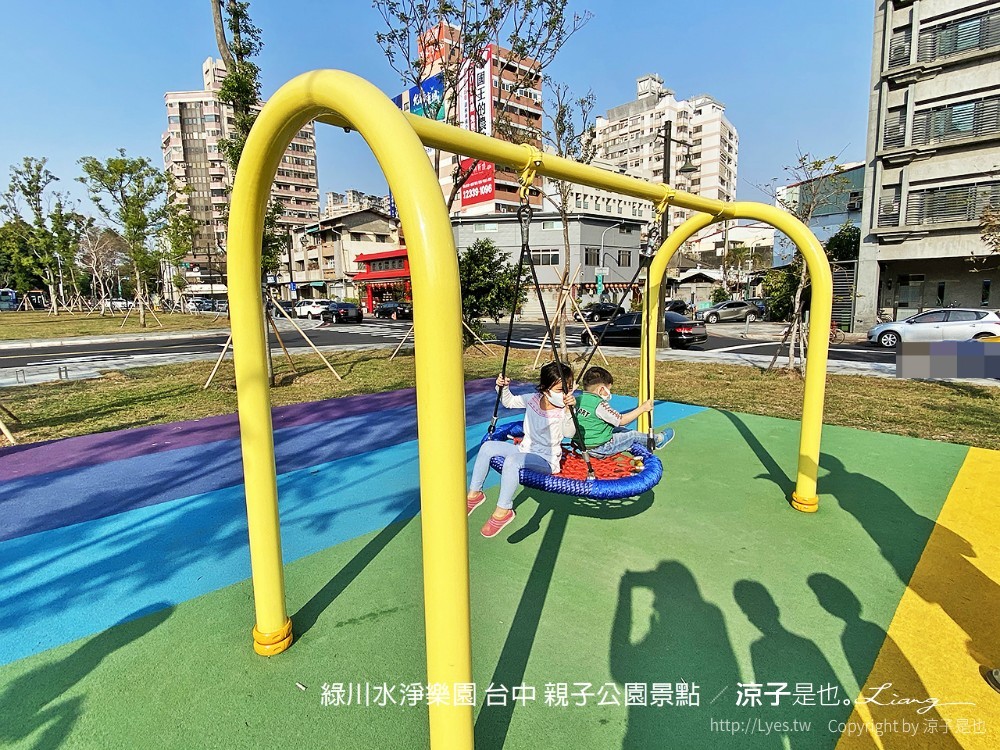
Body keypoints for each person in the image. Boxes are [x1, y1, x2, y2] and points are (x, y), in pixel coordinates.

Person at [467, 362, 577, 538]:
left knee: (512, 462)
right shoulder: (533, 399)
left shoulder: (565, 410)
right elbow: (509, 402)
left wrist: (570, 410)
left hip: (547, 459)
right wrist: (502, 387)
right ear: (545, 388)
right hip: (524, 449)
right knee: (487, 447)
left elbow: (569, 433)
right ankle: (475, 494)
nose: (565, 393)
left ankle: (504, 510)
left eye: (568, 388)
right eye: (559, 389)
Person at [574, 367, 673, 458]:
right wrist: (642, 408)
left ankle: (626, 442)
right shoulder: (600, 405)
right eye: (609, 390)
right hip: (600, 448)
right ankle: (657, 440)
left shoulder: (577, 399)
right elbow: (622, 420)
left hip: (582, 445)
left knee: (619, 429)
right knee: (632, 435)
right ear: (601, 390)